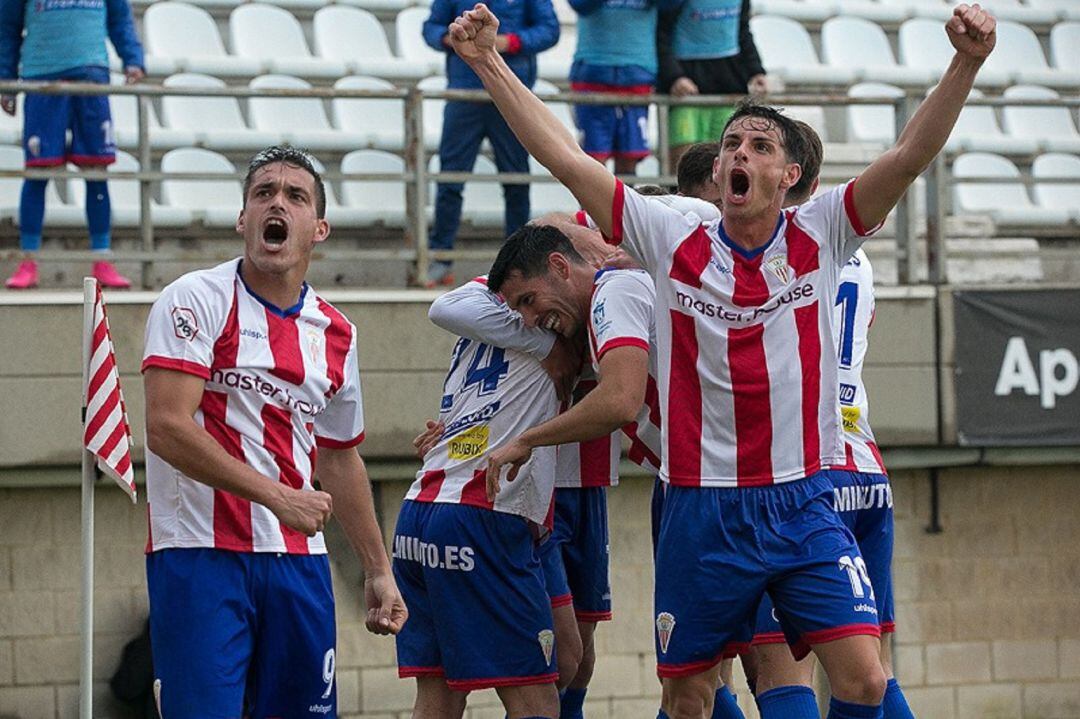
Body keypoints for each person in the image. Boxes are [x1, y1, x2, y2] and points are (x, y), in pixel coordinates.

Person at [445, 3, 995, 717]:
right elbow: (566, 158)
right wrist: (489, 63)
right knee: (686, 696)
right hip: (701, 505)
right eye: (733, 141)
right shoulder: (672, 235)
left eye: (761, 144)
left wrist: (967, 63)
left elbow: (908, 157)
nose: (740, 152)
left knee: (862, 678)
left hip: (802, 496)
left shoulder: (822, 232)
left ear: (790, 173)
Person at [140, 146, 406, 718]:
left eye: (294, 196)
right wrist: (277, 495)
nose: (276, 204)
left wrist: (378, 570)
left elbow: (340, 459)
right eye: (263, 193)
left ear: (319, 228)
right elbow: (164, 426)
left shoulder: (337, 333)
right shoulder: (195, 299)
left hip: (297, 564)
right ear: (243, 219)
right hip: (200, 555)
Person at [742, 121, 914, 719]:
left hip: (802, 475)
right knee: (872, 671)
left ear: (792, 179)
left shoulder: (767, 252)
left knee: (780, 669)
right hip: (866, 471)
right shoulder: (859, 262)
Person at [393, 227, 589, 719]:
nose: (528, 313)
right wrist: (545, 345)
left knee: (565, 658)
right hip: (483, 514)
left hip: (424, 511)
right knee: (536, 701)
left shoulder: (493, 316)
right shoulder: (545, 316)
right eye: (521, 301)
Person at [0, 0, 145, 289]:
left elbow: (119, 19)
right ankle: (29, 260)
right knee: (37, 172)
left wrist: (133, 58)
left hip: (91, 78)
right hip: (42, 79)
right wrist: (6, 78)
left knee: (96, 172)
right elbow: (7, 27)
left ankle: (102, 258)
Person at [421, 0, 559, 288]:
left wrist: (511, 42)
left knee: (516, 180)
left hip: (511, 94)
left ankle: (520, 262)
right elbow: (430, 28)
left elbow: (550, 30)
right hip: (466, 95)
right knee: (450, 180)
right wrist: (449, 38)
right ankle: (440, 258)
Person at [568, 0, 678, 175]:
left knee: (630, 157)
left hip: (637, 73)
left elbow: (671, 4)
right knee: (593, 158)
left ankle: (625, 202)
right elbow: (580, 5)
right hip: (593, 72)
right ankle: (593, 203)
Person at [657, 0, 766, 170]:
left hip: (728, 88)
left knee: (726, 160)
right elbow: (661, 33)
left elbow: (742, 31)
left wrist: (756, 71)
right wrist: (675, 77)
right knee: (684, 163)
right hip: (686, 91)